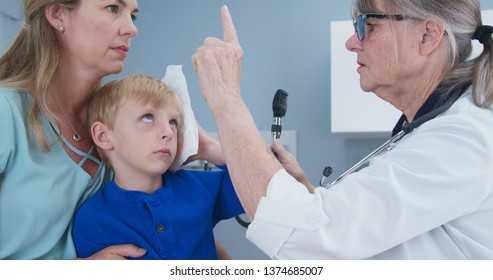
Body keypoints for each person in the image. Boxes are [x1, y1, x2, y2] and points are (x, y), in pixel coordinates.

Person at [191, 1, 493, 260]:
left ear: (427, 36)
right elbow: (366, 236)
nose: (352, 42)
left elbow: (303, 238)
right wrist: (307, 196)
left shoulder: (464, 139)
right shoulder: (438, 131)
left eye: (368, 25)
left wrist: (225, 96)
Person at [71, 75, 243, 260]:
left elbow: (262, 184)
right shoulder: (92, 219)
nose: (168, 132)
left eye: (173, 122)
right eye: (148, 117)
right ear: (104, 136)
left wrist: (210, 148)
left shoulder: (199, 187)